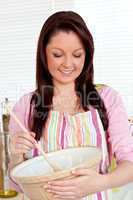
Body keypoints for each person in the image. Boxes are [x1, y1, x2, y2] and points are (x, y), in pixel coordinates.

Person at [9, 11, 133, 200]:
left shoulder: (108, 99)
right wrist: (16, 155)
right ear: (44, 53)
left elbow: (130, 164)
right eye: (58, 54)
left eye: (77, 55)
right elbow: (17, 180)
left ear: (87, 54)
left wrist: (102, 182)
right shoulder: (26, 106)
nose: (68, 63)